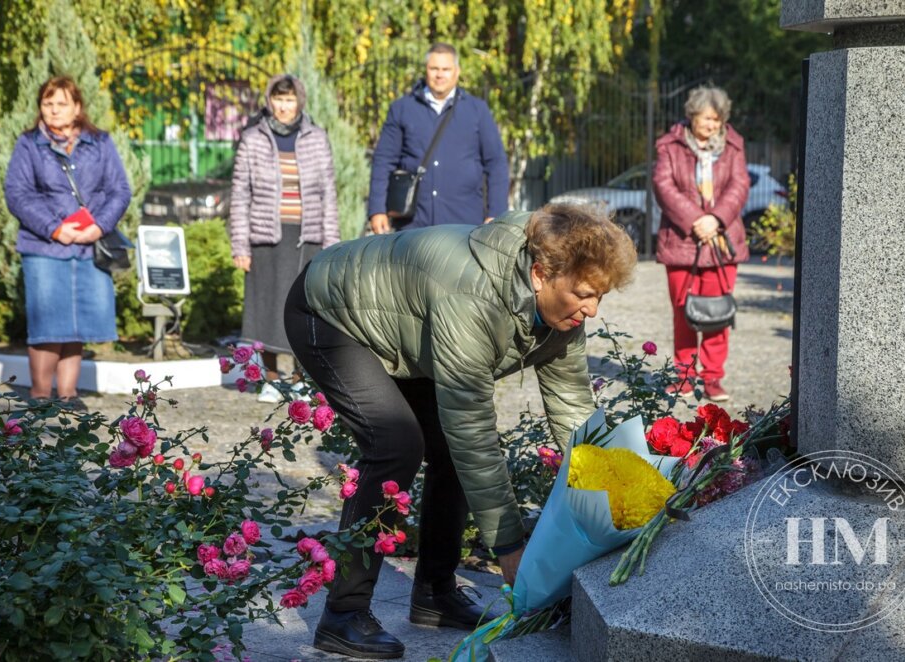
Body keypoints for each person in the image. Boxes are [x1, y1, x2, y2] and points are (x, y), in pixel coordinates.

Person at [284, 204, 637, 659]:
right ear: (539, 274)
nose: (591, 309)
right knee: (396, 445)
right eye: (586, 294)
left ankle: (435, 593)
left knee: (448, 447)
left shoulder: (564, 313)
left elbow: (573, 408)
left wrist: (619, 497)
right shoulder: (473, 297)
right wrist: (510, 550)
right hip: (330, 312)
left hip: (406, 328)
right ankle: (343, 616)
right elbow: (472, 429)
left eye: (600, 297)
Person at [4, 76, 132, 410]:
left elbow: (119, 189)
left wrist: (99, 226)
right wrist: (53, 228)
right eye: (47, 104)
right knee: (48, 325)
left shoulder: (99, 142)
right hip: (44, 246)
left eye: (61, 103)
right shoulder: (29, 144)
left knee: (76, 322)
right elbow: (17, 194)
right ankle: (40, 396)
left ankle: (69, 395)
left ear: (77, 107)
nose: (53, 110)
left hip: (89, 244)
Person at [229, 74, 340, 402]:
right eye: (278, 99)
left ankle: (298, 379)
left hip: (307, 237)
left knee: (303, 310)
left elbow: (328, 193)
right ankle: (271, 379)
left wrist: (331, 243)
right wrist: (240, 245)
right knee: (266, 309)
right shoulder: (253, 138)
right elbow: (239, 193)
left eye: (290, 100)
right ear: (269, 100)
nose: (284, 106)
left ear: (299, 101)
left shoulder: (316, 138)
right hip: (266, 236)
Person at [653, 85, 750, 402]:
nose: (712, 125)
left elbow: (740, 185)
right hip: (682, 241)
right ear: (692, 116)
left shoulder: (734, 146)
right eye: (707, 118)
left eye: (717, 119)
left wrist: (716, 219)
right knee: (683, 312)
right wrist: (696, 219)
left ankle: (712, 379)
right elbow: (663, 184)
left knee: (717, 314)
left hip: (722, 242)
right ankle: (683, 376)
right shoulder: (670, 145)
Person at [367, 42, 509, 234]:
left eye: (446, 69)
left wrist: (497, 214)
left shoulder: (477, 111)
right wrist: (377, 209)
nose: (439, 74)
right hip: (413, 228)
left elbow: (496, 163)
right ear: (426, 70)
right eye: (434, 68)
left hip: (463, 227)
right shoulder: (402, 109)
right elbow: (383, 161)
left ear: (457, 72)